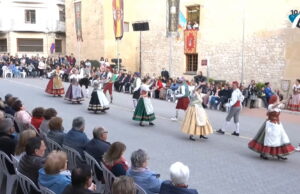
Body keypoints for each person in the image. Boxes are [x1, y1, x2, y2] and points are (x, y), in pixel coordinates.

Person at [248, 95, 295, 160]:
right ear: (275, 99)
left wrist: (289, 98)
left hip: (278, 124)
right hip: (271, 125)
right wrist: (279, 102)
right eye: (278, 98)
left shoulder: (278, 105)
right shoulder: (270, 106)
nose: (279, 99)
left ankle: (279, 153)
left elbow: (283, 103)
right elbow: (274, 106)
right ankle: (264, 153)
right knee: (269, 139)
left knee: (281, 139)